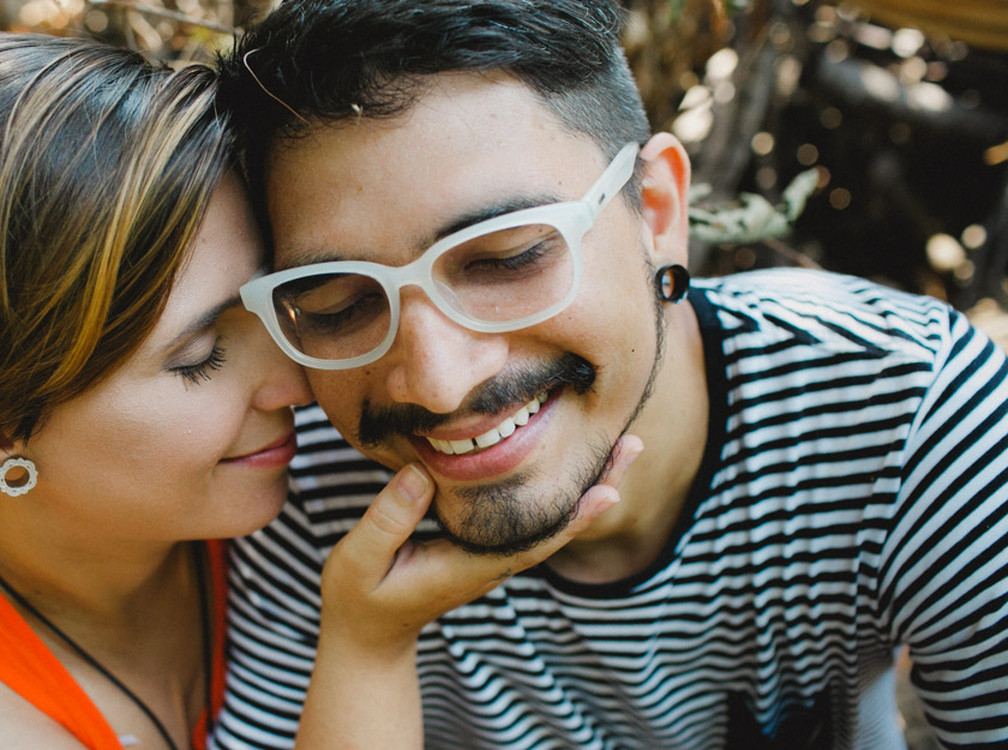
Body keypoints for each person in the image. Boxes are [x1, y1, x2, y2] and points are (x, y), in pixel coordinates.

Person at [212, 1, 1008, 748]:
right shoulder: (312, 486)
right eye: (339, 303)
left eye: (507, 257)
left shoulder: (906, 411)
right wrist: (367, 640)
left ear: (656, 211)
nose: (437, 383)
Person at [0, 32, 625, 749]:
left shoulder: (283, 483)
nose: (298, 386)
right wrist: (367, 643)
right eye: (199, 357)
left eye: (292, 305)